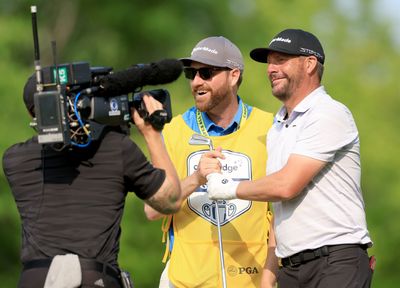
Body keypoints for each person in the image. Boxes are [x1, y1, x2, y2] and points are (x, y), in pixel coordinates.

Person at [206, 29, 374, 288]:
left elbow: (286, 186)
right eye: (270, 62)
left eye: (281, 60)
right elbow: (280, 212)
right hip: (292, 268)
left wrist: (226, 188)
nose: (271, 69)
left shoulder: (328, 113)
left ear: (309, 64)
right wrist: (268, 277)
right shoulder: (278, 126)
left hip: (336, 261)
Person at [2, 73, 182, 288]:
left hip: (35, 279)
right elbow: (169, 199)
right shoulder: (117, 148)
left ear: (32, 112)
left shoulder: (14, 159)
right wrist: (152, 132)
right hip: (92, 277)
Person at [144, 36, 277, 287]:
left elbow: (281, 213)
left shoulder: (269, 128)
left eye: (206, 73)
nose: (196, 82)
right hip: (184, 281)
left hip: (252, 280)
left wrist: (269, 279)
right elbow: (152, 209)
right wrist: (195, 179)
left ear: (234, 76)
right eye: (191, 74)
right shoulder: (173, 131)